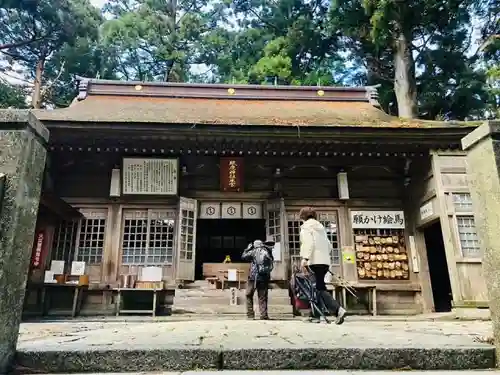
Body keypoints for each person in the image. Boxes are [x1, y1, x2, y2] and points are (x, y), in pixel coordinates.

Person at [299, 206, 346, 324]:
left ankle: (337, 309)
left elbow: (308, 243)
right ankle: (317, 315)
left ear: (303, 216)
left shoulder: (306, 227)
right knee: (317, 287)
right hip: (324, 261)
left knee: (318, 288)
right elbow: (329, 245)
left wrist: (305, 258)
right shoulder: (321, 229)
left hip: (313, 261)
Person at [242, 239, 275, 320]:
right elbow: (271, 261)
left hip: (253, 277)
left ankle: (250, 315)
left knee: (248, 295)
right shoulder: (267, 251)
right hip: (264, 277)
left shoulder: (253, 251)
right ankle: (263, 315)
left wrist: (248, 248)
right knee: (262, 297)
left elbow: (243, 256)